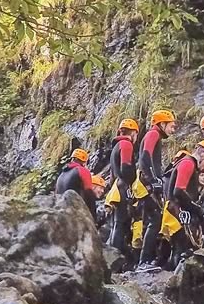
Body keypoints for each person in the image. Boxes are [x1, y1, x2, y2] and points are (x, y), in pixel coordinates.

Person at [159, 141, 204, 268]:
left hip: (174, 211)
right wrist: (199, 210)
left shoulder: (189, 164)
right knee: (182, 248)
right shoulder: (188, 163)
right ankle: (178, 280)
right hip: (177, 211)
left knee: (179, 247)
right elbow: (179, 190)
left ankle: (173, 275)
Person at [136, 108, 176, 267]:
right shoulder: (153, 134)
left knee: (152, 220)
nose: (173, 129)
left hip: (146, 181)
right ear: (162, 124)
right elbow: (145, 156)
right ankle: (144, 261)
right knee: (155, 220)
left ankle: (150, 259)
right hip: (147, 183)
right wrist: (153, 180)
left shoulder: (154, 134)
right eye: (171, 125)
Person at [104, 117, 140, 255]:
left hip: (116, 187)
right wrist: (132, 182)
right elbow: (126, 167)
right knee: (121, 223)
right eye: (136, 134)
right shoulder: (126, 144)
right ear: (132, 133)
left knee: (116, 224)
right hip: (123, 187)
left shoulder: (115, 148)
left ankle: (114, 255)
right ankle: (116, 256)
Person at [54, 147, 97, 213]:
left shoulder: (61, 175)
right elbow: (88, 192)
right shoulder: (82, 170)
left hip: (61, 211)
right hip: (76, 211)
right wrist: (93, 213)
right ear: (84, 162)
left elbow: (56, 194)